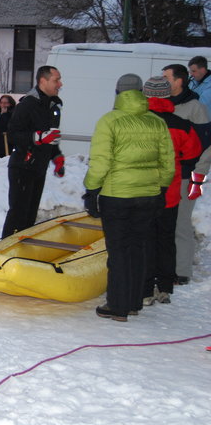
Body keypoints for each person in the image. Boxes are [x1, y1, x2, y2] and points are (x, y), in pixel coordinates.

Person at [83, 74, 174, 322]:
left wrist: (91, 190)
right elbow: (168, 163)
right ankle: (134, 301)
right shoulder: (156, 122)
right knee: (138, 247)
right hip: (148, 195)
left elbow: (101, 163)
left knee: (119, 250)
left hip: (117, 196)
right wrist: (161, 188)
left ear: (117, 93)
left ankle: (118, 305)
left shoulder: (109, 121)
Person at [140, 76, 201, 306]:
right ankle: (165, 286)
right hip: (171, 191)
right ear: (168, 96)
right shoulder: (181, 124)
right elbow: (192, 153)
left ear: (146, 96)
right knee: (166, 239)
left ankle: (145, 289)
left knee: (146, 240)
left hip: (144, 190)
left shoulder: (139, 123)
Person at [162, 64, 211, 284]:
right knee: (162, 223)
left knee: (181, 223)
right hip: (162, 175)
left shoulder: (195, 108)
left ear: (179, 81)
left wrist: (199, 175)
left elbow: (206, 145)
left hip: (185, 174)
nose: (163, 81)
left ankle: (181, 271)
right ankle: (163, 267)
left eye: (166, 77)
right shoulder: (160, 106)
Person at [1, 67, 65, 238]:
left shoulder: (53, 105)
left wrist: (56, 155)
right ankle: (3, 252)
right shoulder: (27, 104)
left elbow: (50, 137)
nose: (60, 84)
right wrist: (38, 137)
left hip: (39, 167)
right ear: (43, 81)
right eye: (56, 80)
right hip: (23, 167)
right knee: (18, 215)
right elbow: (13, 135)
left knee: (29, 217)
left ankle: (22, 254)